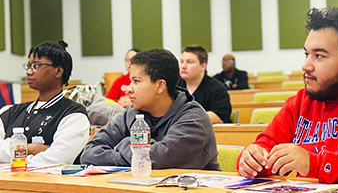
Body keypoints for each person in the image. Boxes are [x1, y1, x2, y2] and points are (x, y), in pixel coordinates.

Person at [237, 7, 338, 184]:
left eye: (319, 56)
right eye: (307, 54)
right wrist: (252, 159)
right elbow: (267, 145)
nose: (306, 66)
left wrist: (317, 164)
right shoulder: (302, 101)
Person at [81, 49, 220, 170]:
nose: (129, 89)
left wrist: (124, 143)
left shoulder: (193, 120)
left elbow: (157, 159)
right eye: (130, 81)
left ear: (160, 86)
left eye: (136, 81)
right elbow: (89, 152)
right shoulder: (133, 113)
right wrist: (126, 157)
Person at [0, 41, 90, 165]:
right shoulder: (9, 111)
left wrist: (10, 154)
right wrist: (29, 148)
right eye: (28, 66)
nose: (29, 72)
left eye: (36, 66)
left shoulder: (73, 115)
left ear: (58, 71)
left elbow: (57, 160)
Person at [178, 46, 232, 124]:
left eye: (189, 62)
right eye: (182, 62)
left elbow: (217, 117)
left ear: (203, 66)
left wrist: (181, 119)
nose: (183, 66)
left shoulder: (217, 89)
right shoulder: (175, 87)